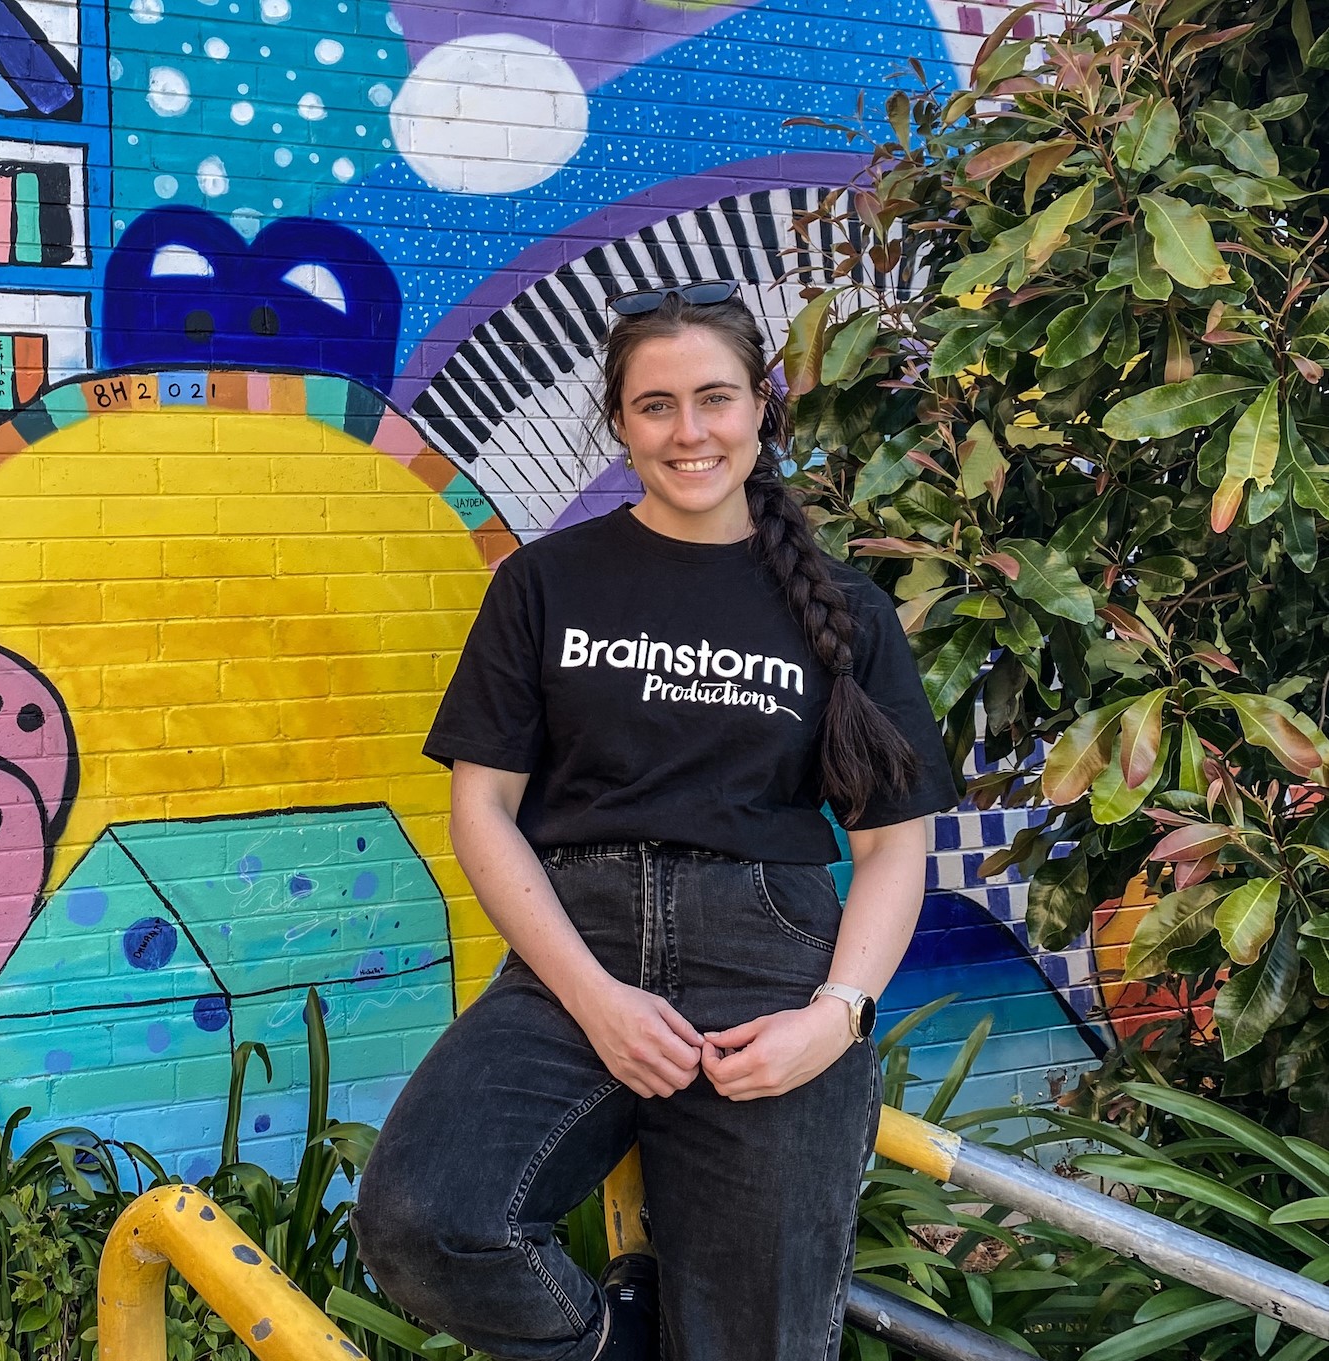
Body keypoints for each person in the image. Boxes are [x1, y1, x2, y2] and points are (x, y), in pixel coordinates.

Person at [350, 281, 962, 1361]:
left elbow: (889, 844)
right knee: (424, 1220)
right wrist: (593, 998)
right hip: (568, 952)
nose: (690, 432)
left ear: (760, 408)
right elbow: (482, 808)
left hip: (768, 964)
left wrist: (835, 1016)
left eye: (715, 398)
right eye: (656, 405)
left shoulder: (844, 608)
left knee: (755, 1337)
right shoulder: (545, 582)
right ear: (619, 421)